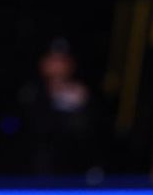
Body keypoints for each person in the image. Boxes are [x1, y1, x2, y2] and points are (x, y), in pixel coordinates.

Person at [17, 37, 99, 175]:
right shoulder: (30, 93)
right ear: (43, 63)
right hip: (35, 169)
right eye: (53, 60)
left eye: (62, 61)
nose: (57, 67)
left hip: (72, 169)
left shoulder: (81, 94)